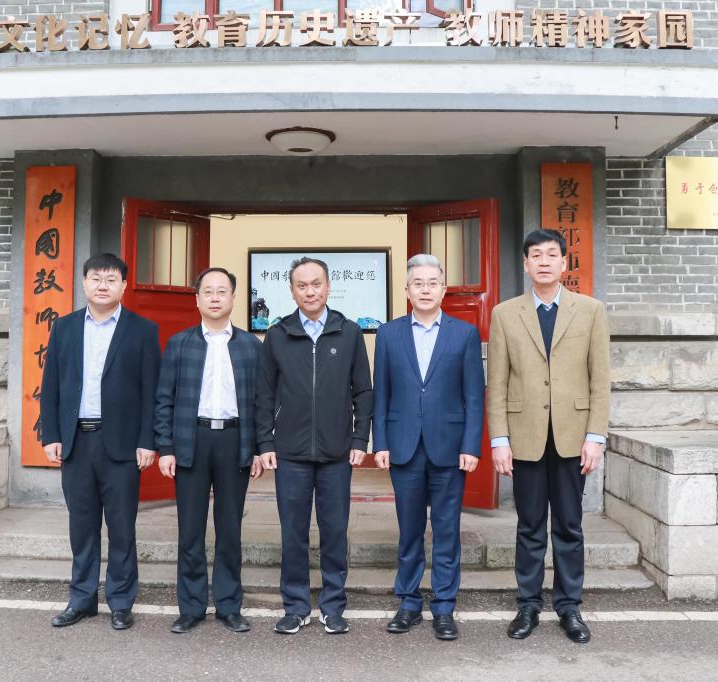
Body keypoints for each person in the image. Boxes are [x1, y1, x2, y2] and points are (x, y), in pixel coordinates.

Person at [486, 229, 610, 644]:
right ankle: (528, 604)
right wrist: (499, 440)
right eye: (535, 255)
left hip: (574, 438)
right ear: (525, 264)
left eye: (551, 254)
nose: (543, 261)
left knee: (570, 526)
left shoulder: (590, 311)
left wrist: (595, 436)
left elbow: (600, 380)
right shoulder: (505, 314)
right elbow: (497, 382)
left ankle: (569, 606)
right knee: (530, 525)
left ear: (563, 263)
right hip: (525, 437)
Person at [40, 253, 160, 631]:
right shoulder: (65, 327)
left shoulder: (143, 330)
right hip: (77, 441)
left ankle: (121, 602)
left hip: (121, 445)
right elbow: (51, 385)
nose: (102, 285)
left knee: (122, 527)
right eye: (95, 278)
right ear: (84, 283)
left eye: (111, 279)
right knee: (82, 526)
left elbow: (151, 391)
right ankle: (82, 599)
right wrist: (51, 434)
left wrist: (148, 441)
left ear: (123, 285)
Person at [256, 257, 373, 635]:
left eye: (316, 284)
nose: (310, 291)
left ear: (328, 286)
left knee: (335, 531)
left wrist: (360, 438)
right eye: (302, 285)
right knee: (293, 533)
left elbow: (363, 391)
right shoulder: (278, 335)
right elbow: (264, 393)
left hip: (337, 453)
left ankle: (333, 606)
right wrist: (265, 441)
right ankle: (295, 606)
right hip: (289, 453)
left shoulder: (348, 332)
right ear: (292, 291)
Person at [373, 254, 484, 641]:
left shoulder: (464, 334)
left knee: (447, 529)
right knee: (409, 529)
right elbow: (382, 393)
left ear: (443, 289)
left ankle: (444, 606)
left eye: (432, 283)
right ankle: (408, 602)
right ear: (407, 290)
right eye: (417, 283)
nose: (425, 289)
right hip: (403, 445)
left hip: (449, 448)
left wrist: (471, 445)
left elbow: (474, 396)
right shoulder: (388, 334)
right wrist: (380, 442)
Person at [154, 267, 263, 634]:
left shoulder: (251, 346)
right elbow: (164, 399)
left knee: (230, 529)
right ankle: (191, 606)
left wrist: (259, 448)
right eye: (208, 291)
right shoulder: (179, 343)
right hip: (192, 439)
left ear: (233, 298)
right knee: (190, 529)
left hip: (234, 440)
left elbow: (262, 403)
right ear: (197, 298)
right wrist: (166, 447)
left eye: (222, 291)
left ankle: (229, 605)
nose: (215, 297)